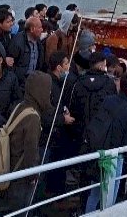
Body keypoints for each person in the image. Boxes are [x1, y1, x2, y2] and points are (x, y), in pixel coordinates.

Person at [83, 70, 127, 213]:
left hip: (99, 150)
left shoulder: (108, 100)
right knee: (110, 195)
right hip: (115, 158)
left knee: (94, 194)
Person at [4, 70, 52, 213]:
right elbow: (31, 150)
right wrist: (33, 175)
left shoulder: (20, 106)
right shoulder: (33, 117)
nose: (49, 94)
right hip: (21, 176)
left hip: (10, 167)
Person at [67, 51, 117, 154]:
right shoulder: (109, 84)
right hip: (101, 134)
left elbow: (71, 106)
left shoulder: (78, 83)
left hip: (79, 134)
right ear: (102, 64)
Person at [43, 51, 76, 196]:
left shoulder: (58, 83)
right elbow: (48, 112)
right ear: (58, 67)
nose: (69, 66)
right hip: (52, 135)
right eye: (66, 64)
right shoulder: (51, 84)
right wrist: (63, 119)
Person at [7, 17, 45, 90]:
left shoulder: (37, 41)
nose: (42, 30)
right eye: (40, 27)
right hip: (20, 82)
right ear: (32, 29)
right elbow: (10, 65)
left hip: (34, 78)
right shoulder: (17, 42)